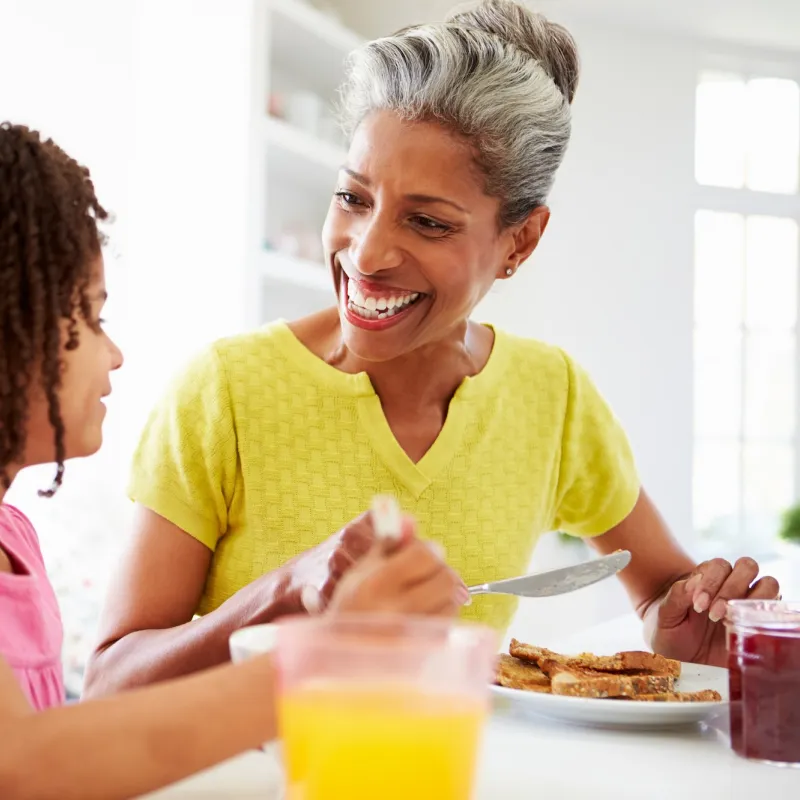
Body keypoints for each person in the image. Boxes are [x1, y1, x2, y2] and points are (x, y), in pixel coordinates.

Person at [85, 0, 780, 698]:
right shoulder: (225, 390)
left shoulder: (552, 394)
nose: (368, 252)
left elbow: (663, 593)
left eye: (426, 221)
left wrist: (681, 628)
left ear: (519, 242)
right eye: (352, 198)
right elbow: (112, 682)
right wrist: (287, 593)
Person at [0, 121, 463, 800]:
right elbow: (25, 764)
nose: (115, 352)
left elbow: (72, 754)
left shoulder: (15, 538)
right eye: (92, 315)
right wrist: (332, 652)